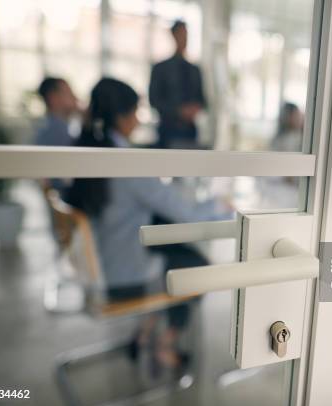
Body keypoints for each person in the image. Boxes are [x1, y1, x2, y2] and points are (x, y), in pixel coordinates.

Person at [65, 78, 229, 375]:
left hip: (98, 266)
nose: (139, 119)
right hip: (122, 279)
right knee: (198, 270)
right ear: (121, 116)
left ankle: (142, 335)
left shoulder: (85, 150)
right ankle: (164, 344)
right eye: (136, 111)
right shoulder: (127, 164)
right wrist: (221, 206)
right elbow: (188, 213)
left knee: (179, 251)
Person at [149, 20, 207, 149]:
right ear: (173, 36)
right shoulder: (160, 68)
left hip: (190, 132)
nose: (184, 38)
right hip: (167, 131)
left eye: (186, 34)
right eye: (181, 34)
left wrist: (194, 108)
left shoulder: (195, 70)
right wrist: (178, 111)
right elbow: (154, 100)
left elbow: (203, 99)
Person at [35, 77, 79, 147]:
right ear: (53, 98)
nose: (75, 97)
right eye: (69, 93)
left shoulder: (48, 127)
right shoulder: (55, 132)